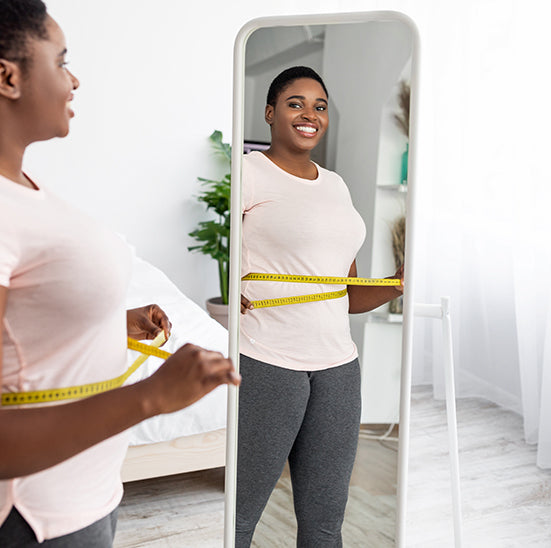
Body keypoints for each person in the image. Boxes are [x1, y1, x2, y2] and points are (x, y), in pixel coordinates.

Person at [0, 1, 240, 546]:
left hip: (74, 501)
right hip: (23, 520)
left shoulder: (5, 187)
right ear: (6, 76)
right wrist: (152, 396)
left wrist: (103, 323)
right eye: (61, 60)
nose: (73, 80)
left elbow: (14, 325)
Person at [235, 66, 403, 547]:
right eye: (295, 103)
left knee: (326, 524)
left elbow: (346, 294)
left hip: (338, 369)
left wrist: (395, 285)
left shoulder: (336, 185)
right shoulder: (247, 174)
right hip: (269, 361)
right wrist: (231, 287)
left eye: (320, 106)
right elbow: (228, 261)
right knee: (241, 517)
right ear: (270, 113)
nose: (310, 114)